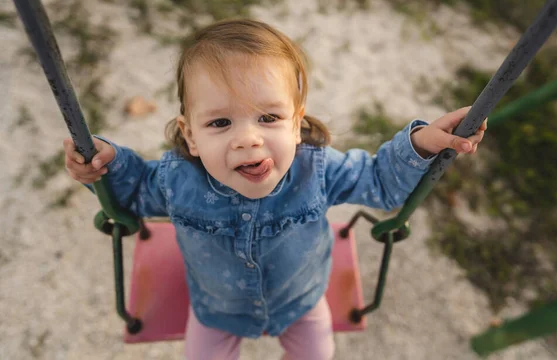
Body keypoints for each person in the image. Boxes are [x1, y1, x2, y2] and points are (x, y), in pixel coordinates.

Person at [63, 19, 486, 360]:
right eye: (220, 122)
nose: (248, 139)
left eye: (268, 117)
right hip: (215, 308)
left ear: (296, 123)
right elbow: (132, 191)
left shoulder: (317, 169)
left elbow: (379, 182)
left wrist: (420, 144)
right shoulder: (177, 180)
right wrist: (105, 164)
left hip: (301, 300)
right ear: (190, 136)